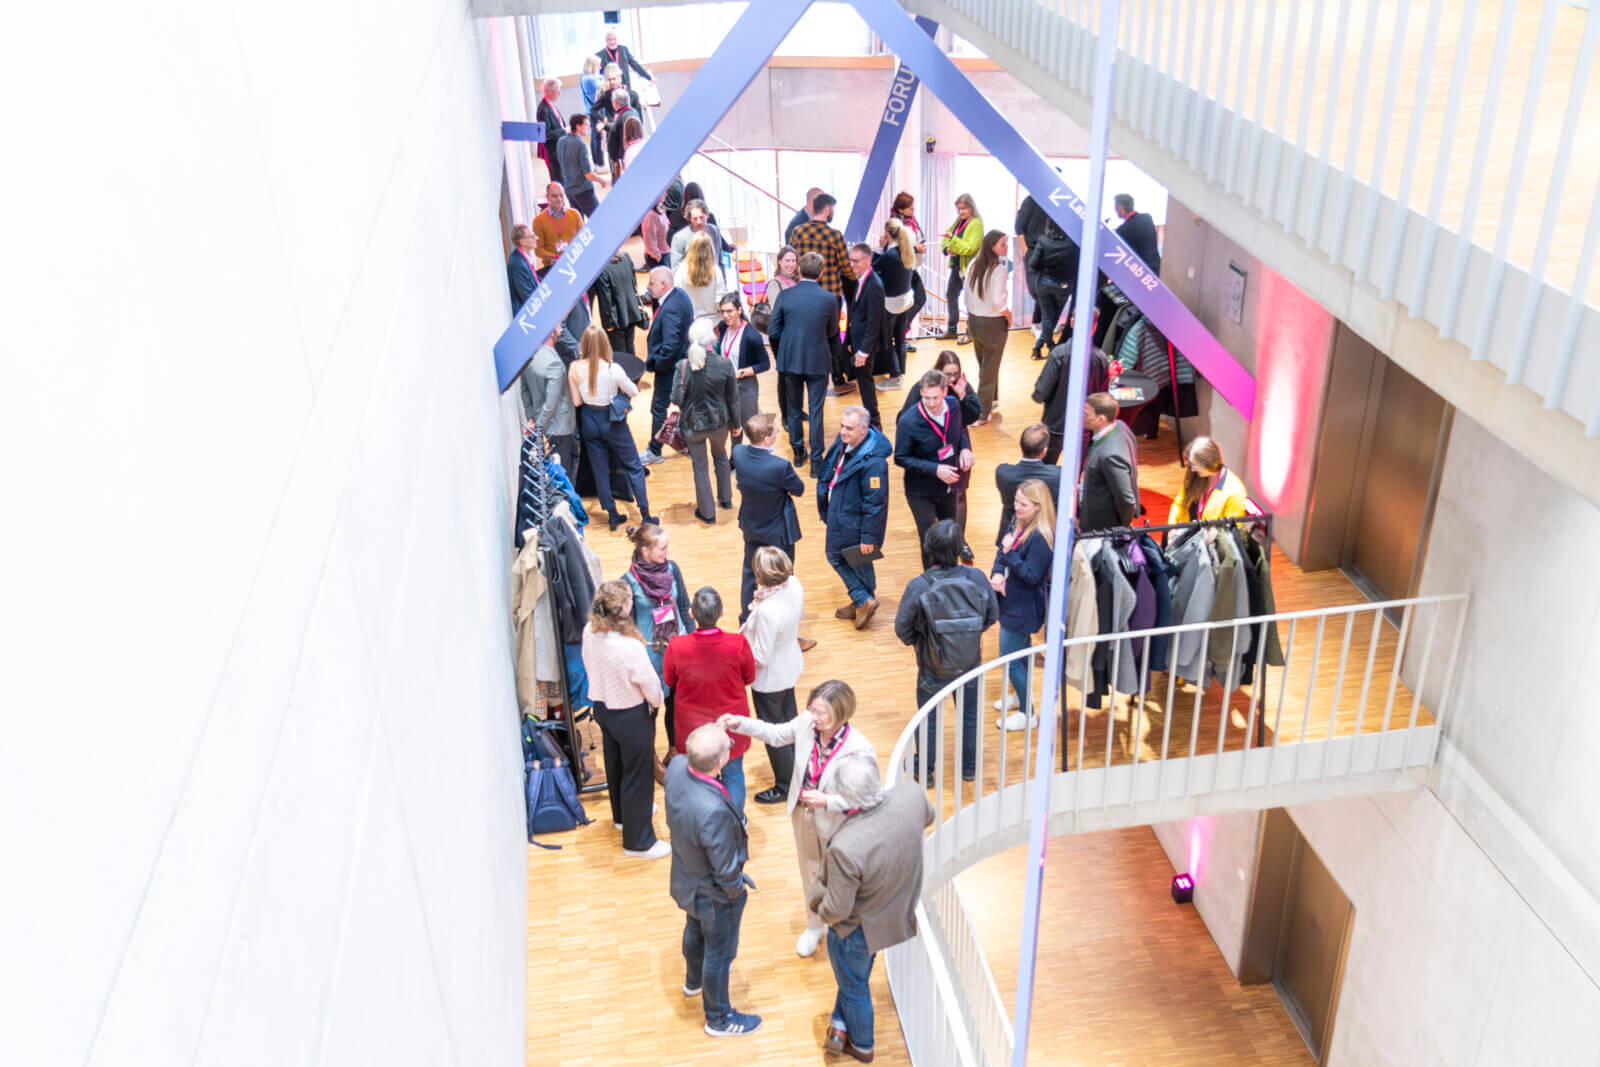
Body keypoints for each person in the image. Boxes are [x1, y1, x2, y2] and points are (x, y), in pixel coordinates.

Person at [719, 679, 876, 958]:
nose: (814, 717)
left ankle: (846, 929)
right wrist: (739, 723)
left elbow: (870, 798)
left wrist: (828, 801)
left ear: (841, 713)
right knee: (810, 872)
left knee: (841, 878)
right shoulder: (806, 723)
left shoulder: (858, 749)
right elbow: (776, 734)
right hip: (804, 816)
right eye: (812, 709)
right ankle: (815, 925)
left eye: (821, 713)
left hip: (839, 825)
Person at [809, 757, 934, 1062]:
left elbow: (837, 909)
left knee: (854, 987)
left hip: (856, 930)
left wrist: (819, 911)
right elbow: (927, 818)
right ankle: (839, 1026)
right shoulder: (912, 795)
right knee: (856, 976)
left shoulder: (845, 847)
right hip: (894, 908)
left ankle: (862, 1046)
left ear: (845, 798)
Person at [664, 725, 762, 1038]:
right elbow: (724, 868)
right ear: (721, 761)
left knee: (694, 929)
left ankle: (693, 982)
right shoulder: (712, 812)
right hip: (714, 894)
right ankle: (718, 1019)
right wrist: (736, 892)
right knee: (719, 955)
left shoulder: (676, 767)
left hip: (686, 876)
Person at [894, 520, 998, 783]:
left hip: (932, 666)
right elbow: (992, 615)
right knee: (970, 717)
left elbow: (902, 628)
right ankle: (969, 768)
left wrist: (922, 642)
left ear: (928, 549)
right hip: (970, 663)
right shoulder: (976, 577)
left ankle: (925, 772)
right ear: (959, 548)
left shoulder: (919, 585)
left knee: (928, 721)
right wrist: (968, 636)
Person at [582, 580, 669, 858]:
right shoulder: (630, 646)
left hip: (602, 709)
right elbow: (650, 685)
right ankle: (639, 842)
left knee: (616, 764)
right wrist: (658, 701)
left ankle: (623, 817)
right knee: (638, 774)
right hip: (630, 714)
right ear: (624, 607)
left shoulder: (589, 632)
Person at [663, 588, 756, 812]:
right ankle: (734, 821)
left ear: (691, 613)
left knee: (696, 778)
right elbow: (750, 677)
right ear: (722, 612)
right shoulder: (738, 643)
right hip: (730, 725)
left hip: (693, 729)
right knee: (733, 773)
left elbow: (669, 680)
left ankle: (702, 819)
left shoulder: (677, 646)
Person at [738, 547, 806, 803]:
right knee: (791, 721)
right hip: (790, 665)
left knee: (774, 732)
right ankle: (800, 771)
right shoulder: (794, 585)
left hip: (769, 679)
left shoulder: (767, 611)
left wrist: (739, 652)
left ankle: (785, 785)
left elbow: (761, 656)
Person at [568, 325, 653, 528]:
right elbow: (633, 391)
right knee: (633, 466)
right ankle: (645, 514)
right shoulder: (612, 369)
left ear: (583, 345)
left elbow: (577, 402)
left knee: (600, 470)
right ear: (604, 344)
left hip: (589, 419)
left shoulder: (574, 368)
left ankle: (612, 514)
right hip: (612, 420)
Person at [818, 405, 892, 629]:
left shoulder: (874, 464)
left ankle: (862, 599)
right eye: (842, 426)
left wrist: (868, 536)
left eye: (849, 428)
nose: (842, 432)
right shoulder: (844, 442)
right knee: (858, 562)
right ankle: (862, 602)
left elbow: (875, 503)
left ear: (864, 429)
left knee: (839, 557)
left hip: (853, 522)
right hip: (840, 514)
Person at [990, 478, 1055, 731]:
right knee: (1022, 655)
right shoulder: (1018, 522)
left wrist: (1010, 555)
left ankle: (1028, 714)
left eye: (1023, 504)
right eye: (1016, 501)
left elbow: (1031, 575)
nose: (1016, 507)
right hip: (1011, 602)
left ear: (1038, 506)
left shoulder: (1041, 537)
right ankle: (1020, 697)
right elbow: (1001, 551)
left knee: (1011, 660)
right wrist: (998, 572)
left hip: (1023, 608)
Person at [898, 352, 979, 553]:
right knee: (929, 540)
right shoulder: (908, 421)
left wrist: (965, 448)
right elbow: (900, 457)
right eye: (926, 398)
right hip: (921, 488)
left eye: (935, 397)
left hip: (947, 485)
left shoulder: (953, 405)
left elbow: (959, 428)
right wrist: (935, 469)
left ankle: (954, 560)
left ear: (944, 392)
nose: (931, 403)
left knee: (949, 535)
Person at [622, 522, 692, 753]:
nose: (667, 552)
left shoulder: (672, 569)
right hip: (649, 660)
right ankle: (650, 759)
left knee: (676, 707)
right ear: (645, 551)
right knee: (649, 712)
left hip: (676, 652)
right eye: (662, 548)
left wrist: (693, 641)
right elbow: (627, 628)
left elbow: (684, 607)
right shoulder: (628, 583)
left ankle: (673, 750)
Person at [767, 252, 837, 474]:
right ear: (821, 273)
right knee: (816, 411)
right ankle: (816, 461)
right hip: (818, 359)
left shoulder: (785, 296)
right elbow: (832, 332)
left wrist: (790, 340)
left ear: (799, 269)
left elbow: (773, 330)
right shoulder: (829, 299)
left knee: (794, 409)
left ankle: (798, 453)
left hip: (790, 359)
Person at [732, 412, 805, 623]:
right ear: (766, 439)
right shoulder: (780, 466)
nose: (777, 433)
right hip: (777, 532)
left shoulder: (738, 452)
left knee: (749, 572)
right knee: (783, 578)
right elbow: (799, 489)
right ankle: (783, 621)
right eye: (775, 431)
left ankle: (747, 618)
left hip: (751, 526)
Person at [671, 320, 740, 524]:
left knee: (700, 467)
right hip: (720, 424)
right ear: (712, 339)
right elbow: (733, 399)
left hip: (693, 426)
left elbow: (676, 399)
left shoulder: (683, 366)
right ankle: (726, 500)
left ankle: (708, 514)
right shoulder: (725, 364)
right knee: (721, 457)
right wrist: (737, 424)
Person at [788, 192, 855, 392]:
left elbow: (791, 261)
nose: (833, 212)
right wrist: (857, 276)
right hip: (831, 294)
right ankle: (838, 381)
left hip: (804, 294)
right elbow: (845, 267)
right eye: (832, 209)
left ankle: (809, 378)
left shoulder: (798, 232)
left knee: (809, 336)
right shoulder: (834, 235)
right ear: (827, 209)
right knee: (832, 337)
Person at [1031, 311, 1109, 464]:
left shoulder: (1059, 354)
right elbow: (1103, 397)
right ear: (1095, 326)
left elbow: (1041, 392)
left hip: (1056, 424)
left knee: (1046, 467)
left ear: (1072, 322)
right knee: (1076, 467)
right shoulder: (1101, 359)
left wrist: (1038, 396)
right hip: (1084, 426)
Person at [643, 266, 693, 465]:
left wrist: (658, 364)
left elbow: (670, 345)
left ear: (664, 285)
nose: (648, 287)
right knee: (685, 405)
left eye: (651, 283)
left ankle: (654, 450)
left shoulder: (671, 308)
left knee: (658, 408)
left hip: (669, 369)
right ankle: (690, 444)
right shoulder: (680, 295)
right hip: (682, 365)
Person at [963, 229, 1012, 424]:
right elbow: (999, 302)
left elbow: (966, 294)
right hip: (992, 324)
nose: (1006, 247)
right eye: (1002, 244)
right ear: (992, 247)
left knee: (986, 365)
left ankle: (992, 399)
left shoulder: (973, 264)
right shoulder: (998, 270)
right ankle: (982, 413)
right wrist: (1009, 317)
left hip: (974, 322)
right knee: (988, 370)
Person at [519, 326, 578, 472]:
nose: (561, 329)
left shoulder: (530, 356)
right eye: (558, 326)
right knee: (562, 474)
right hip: (559, 427)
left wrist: (531, 418)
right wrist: (538, 426)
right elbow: (551, 403)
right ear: (551, 332)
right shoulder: (554, 363)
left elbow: (524, 390)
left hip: (544, 424)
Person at [844, 242, 889, 429]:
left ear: (868, 260)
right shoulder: (862, 279)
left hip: (865, 345)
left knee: (866, 384)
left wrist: (863, 351)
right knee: (864, 384)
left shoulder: (874, 285)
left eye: (855, 261)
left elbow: (873, 322)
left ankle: (875, 423)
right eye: (850, 260)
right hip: (859, 341)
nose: (851, 264)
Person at [1079, 391, 1140, 532]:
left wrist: (1123, 527)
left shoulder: (1110, 455)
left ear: (1101, 419)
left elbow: (1126, 499)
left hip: (1102, 525)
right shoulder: (1120, 426)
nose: (1081, 416)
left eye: (1085, 414)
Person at [993, 423, 1060, 546]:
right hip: (1044, 535)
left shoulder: (1002, 472)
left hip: (1010, 533)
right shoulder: (1058, 475)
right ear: (1044, 451)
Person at [873, 217, 917, 389]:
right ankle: (900, 373)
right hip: (906, 300)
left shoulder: (889, 256)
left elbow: (872, 268)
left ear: (887, 233)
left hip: (891, 304)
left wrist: (879, 247)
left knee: (886, 340)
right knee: (900, 338)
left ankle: (895, 377)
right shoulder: (907, 252)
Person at [1027, 217, 1080, 360]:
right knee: (1052, 317)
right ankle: (1048, 345)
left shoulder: (1043, 240)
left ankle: (1040, 346)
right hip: (1063, 285)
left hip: (1043, 283)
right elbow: (1076, 266)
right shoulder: (1072, 243)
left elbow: (1032, 265)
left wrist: (1042, 270)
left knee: (1047, 316)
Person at [716, 293, 768, 429]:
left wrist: (740, 373)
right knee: (734, 430)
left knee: (751, 430)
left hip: (745, 388)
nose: (725, 315)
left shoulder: (751, 335)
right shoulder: (723, 327)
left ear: (739, 310)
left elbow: (765, 364)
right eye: (722, 311)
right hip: (726, 387)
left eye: (729, 311)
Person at [1169, 435, 1250, 523]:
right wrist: (1173, 526)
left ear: (1209, 463)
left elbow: (1233, 527)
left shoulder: (1234, 491)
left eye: (1195, 465)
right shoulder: (1195, 474)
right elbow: (1179, 504)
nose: (1192, 469)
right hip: (1189, 528)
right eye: (1190, 464)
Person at [589, 249, 647, 368]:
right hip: (632, 311)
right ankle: (634, 375)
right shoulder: (626, 257)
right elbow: (634, 283)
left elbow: (606, 300)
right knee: (630, 347)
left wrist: (608, 324)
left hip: (616, 319)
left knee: (619, 356)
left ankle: (625, 378)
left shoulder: (602, 269)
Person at [938, 193, 983, 339]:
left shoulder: (976, 223)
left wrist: (953, 240)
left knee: (970, 300)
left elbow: (970, 248)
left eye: (963, 208)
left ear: (971, 208)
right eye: (958, 209)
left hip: (969, 268)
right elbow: (947, 238)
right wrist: (947, 249)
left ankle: (971, 332)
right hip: (956, 266)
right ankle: (952, 330)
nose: (960, 212)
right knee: (951, 295)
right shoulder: (959, 221)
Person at [890, 192, 928, 353]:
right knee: (915, 300)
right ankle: (899, 336)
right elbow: (895, 249)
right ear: (900, 209)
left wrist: (920, 246)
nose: (913, 210)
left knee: (917, 300)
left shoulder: (911, 220)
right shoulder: (895, 225)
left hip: (912, 266)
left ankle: (900, 336)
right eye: (910, 208)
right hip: (902, 269)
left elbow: (917, 238)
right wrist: (915, 249)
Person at [1014, 191, 1049, 341]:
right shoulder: (1030, 201)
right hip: (1033, 250)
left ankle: (1040, 323)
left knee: (1046, 289)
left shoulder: (1054, 203)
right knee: (1036, 290)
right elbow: (1019, 227)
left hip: (1050, 250)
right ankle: (1037, 324)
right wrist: (1026, 252)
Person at [557, 114, 607, 217]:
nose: (589, 128)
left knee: (578, 221)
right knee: (597, 218)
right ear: (578, 126)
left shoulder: (561, 141)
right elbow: (588, 174)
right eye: (586, 125)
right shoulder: (580, 145)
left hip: (569, 190)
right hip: (583, 190)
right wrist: (601, 180)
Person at [674, 232, 727, 322]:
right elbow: (720, 301)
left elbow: (677, 299)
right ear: (710, 249)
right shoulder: (715, 271)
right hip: (713, 322)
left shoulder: (681, 270)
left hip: (690, 322)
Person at [532, 182, 583, 273]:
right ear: (547, 197)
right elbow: (538, 249)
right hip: (552, 267)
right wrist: (555, 258)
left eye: (561, 195)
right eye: (554, 196)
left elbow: (583, 240)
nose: (559, 199)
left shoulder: (575, 215)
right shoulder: (539, 221)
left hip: (575, 263)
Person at [670, 196, 727, 269]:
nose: (699, 221)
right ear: (690, 219)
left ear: (707, 215)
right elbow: (676, 268)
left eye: (701, 217)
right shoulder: (679, 238)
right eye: (695, 218)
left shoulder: (714, 231)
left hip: (713, 274)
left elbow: (720, 260)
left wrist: (722, 275)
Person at [1114, 193, 1161, 274]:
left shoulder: (1122, 230)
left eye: (1116, 208)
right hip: (1156, 268)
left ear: (1120, 208)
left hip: (1139, 273)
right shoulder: (1147, 218)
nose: (1115, 210)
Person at [605, 88, 640, 176]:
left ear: (615, 102)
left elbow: (623, 138)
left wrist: (619, 159)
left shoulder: (626, 116)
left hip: (624, 160)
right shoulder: (630, 112)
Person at [538, 78, 565, 185]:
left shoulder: (551, 105)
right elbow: (546, 134)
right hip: (553, 151)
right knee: (558, 179)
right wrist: (564, 131)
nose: (559, 93)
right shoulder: (543, 109)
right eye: (557, 90)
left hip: (559, 147)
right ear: (549, 91)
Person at [507, 224, 538, 309]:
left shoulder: (522, 257)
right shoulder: (518, 264)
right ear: (522, 242)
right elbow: (527, 296)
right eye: (531, 236)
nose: (535, 238)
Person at [642, 194, 670, 270]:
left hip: (665, 253)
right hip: (659, 257)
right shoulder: (651, 215)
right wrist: (657, 256)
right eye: (662, 192)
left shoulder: (660, 208)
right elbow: (649, 240)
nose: (665, 194)